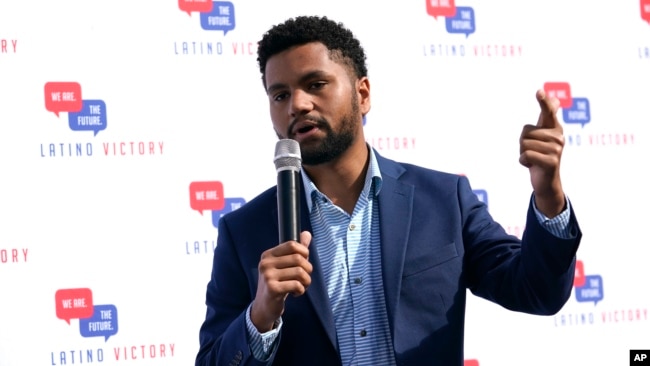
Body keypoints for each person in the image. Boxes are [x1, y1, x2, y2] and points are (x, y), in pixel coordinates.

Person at [195, 15, 582, 366]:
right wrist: (260, 316)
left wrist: (548, 194)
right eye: (280, 95)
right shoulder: (244, 231)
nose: (297, 104)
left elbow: (537, 291)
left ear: (362, 94)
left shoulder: (444, 199)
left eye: (315, 84)